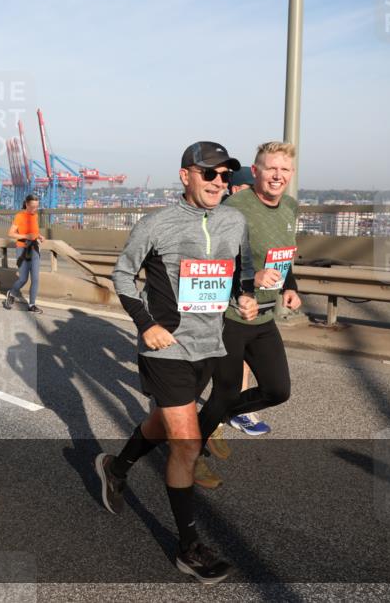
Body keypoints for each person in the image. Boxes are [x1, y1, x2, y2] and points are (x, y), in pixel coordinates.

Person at [94, 141, 258, 584]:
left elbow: (240, 269)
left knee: (162, 424)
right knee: (186, 444)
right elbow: (122, 274)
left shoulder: (234, 221)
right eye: (210, 174)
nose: (219, 182)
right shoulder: (157, 223)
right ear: (186, 175)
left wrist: (244, 296)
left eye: (225, 175)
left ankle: (116, 467)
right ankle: (189, 548)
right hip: (165, 348)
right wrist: (146, 324)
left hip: (209, 345)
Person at [194, 142, 300, 487]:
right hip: (231, 317)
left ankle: (206, 423)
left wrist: (290, 285)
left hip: (265, 319)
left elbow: (282, 255)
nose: (278, 176)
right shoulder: (235, 207)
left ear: (291, 173)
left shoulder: (290, 208)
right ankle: (189, 454)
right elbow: (210, 261)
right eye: (271, 168)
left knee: (277, 390)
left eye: (284, 169)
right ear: (255, 171)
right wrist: (251, 279)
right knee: (224, 393)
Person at [3, 194, 44, 314]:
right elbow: (11, 233)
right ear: (26, 204)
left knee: (35, 279)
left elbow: (33, 231)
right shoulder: (19, 216)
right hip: (22, 250)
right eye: (32, 206)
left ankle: (32, 305)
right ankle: (11, 293)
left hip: (34, 249)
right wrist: (26, 236)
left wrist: (39, 236)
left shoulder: (35, 216)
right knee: (23, 279)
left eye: (36, 206)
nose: (35, 209)